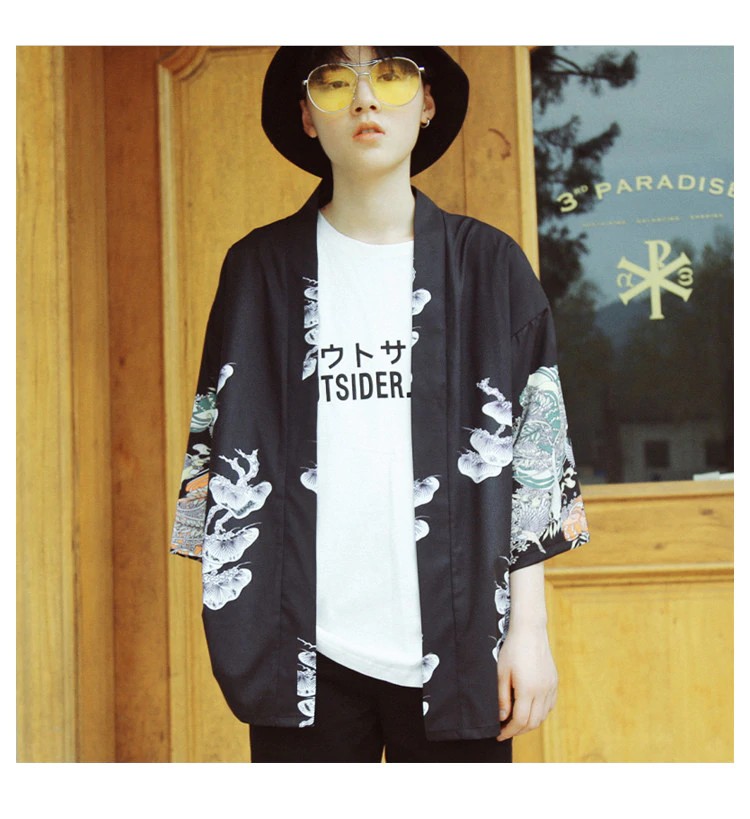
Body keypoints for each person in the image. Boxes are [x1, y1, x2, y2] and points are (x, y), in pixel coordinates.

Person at [170, 46, 590, 763]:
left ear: (427, 102)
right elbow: (217, 450)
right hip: (301, 651)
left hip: (461, 646)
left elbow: (535, 462)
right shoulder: (258, 272)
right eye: (336, 81)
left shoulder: (487, 267)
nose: (364, 99)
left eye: (390, 75)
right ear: (308, 116)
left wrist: (530, 631)